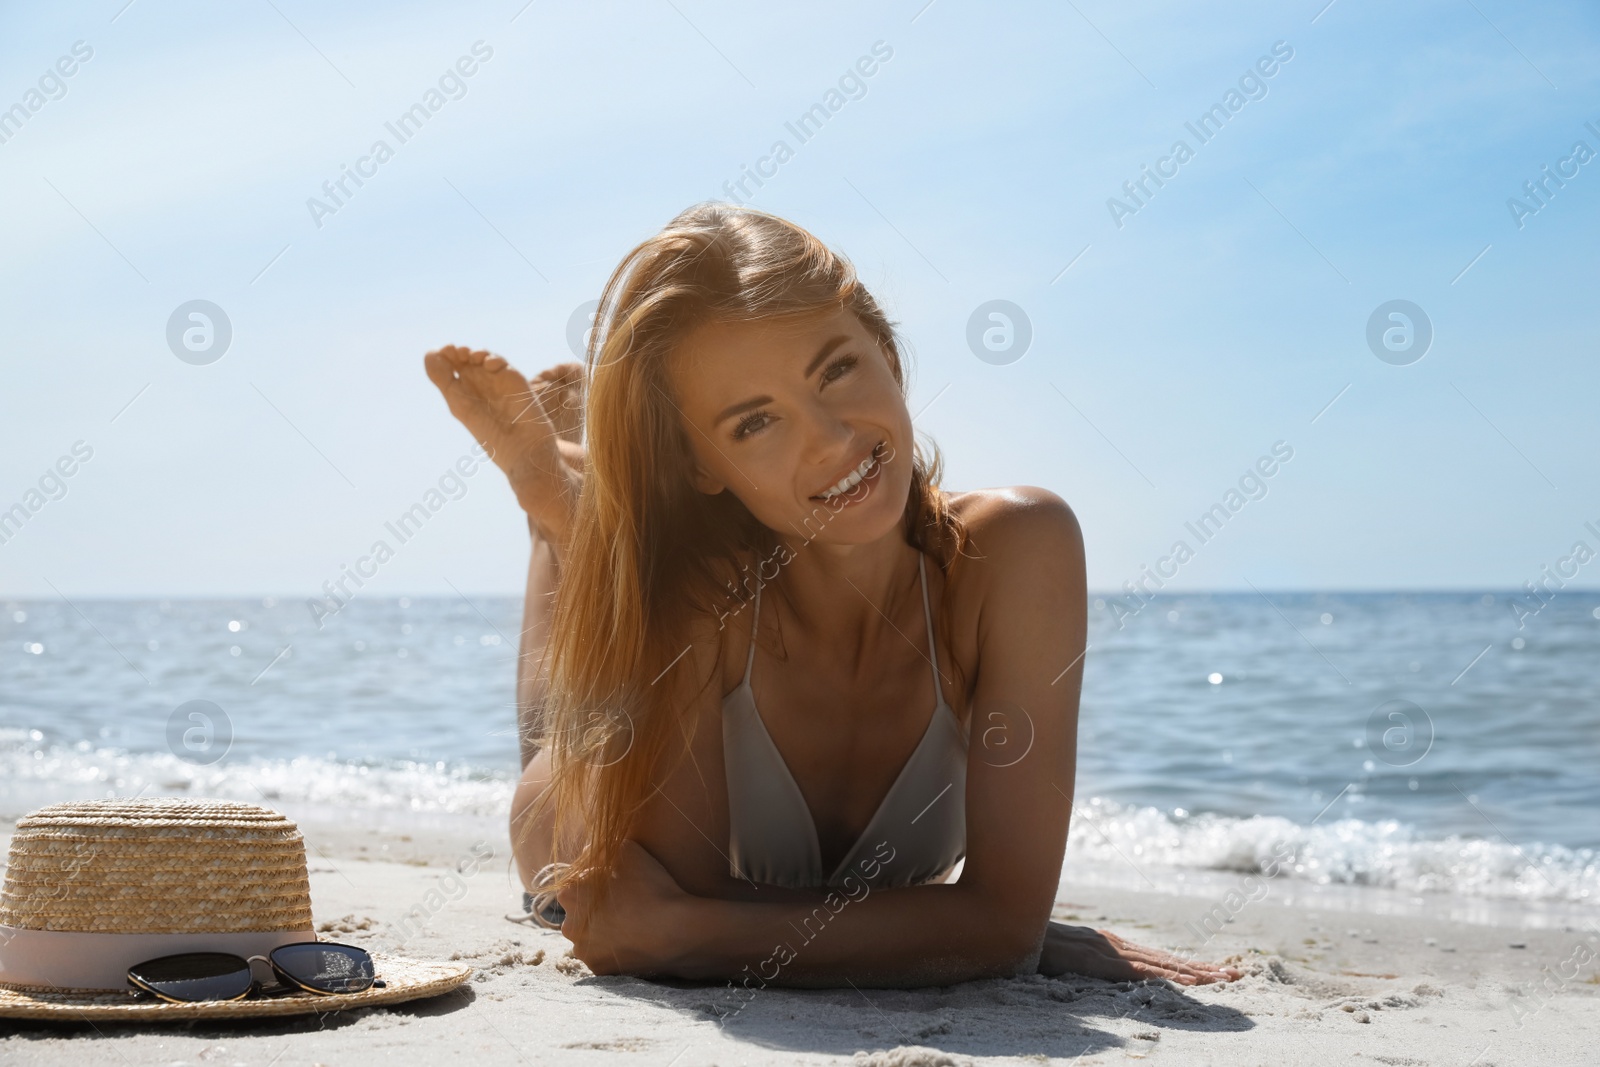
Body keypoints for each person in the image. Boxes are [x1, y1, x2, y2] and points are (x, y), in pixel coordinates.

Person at [424, 202, 1240, 989]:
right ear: (702, 466)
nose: (832, 437)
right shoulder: (698, 599)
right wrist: (951, 925)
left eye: (838, 368)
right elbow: (992, 928)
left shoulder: (1020, 549)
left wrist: (691, 931)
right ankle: (561, 517)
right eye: (754, 423)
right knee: (555, 739)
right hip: (575, 799)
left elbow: (685, 925)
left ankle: (579, 506)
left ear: (884, 346)